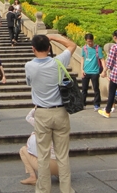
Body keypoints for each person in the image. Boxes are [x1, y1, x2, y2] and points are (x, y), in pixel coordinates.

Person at [24, 34, 76, 192]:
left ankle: (43, 190)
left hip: (42, 113)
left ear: (33, 49)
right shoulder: (58, 61)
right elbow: (72, 45)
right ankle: (66, 189)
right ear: (48, 48)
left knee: (43, 155)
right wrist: (53, 36)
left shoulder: (29, 65)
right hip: (60, 112)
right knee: (62, 155)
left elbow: (29, 82)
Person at [19, 108, 59, 186]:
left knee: (23, 150)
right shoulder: (60, 126)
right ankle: (60, 176)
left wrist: (36, 107)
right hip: (63, 167)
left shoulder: (40, 124)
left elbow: (28, 117)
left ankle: (33, 177)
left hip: (48, 166)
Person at [80, 33, 105, 111]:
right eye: (88, 41)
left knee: (96, 88)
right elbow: (82, 59)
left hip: (95, 71)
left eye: (91, 41)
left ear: (93, 40)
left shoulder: (98, 49)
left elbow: (102, 59)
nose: (90, 43)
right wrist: (81, 69)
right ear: (86, 41)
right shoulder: (84, 49)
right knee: (84, 89)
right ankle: (83, 104)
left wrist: (104, 70)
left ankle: (97, 104)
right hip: (86, 71)